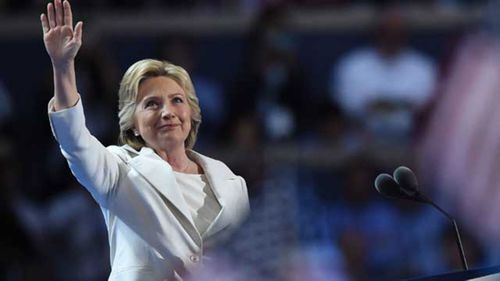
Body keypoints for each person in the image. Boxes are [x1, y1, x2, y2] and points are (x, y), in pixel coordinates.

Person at [40, 0, 250, 280]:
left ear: (191, 114)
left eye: (177, 100)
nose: (167, 113)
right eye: (152, 104)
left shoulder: (231, 184)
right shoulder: (120, 171)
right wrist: (63, 67)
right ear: (134, 124)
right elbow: (75, 142)